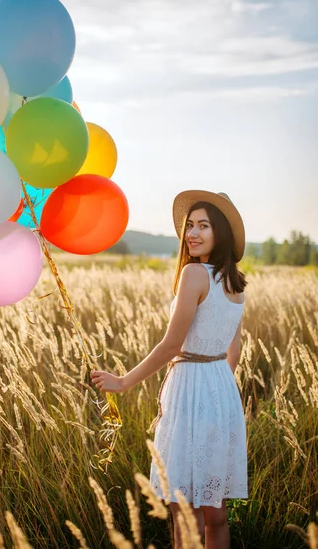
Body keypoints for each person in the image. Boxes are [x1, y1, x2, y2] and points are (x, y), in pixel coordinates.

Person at [90, 190, 248, 549]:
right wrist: (218, 387)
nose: (192, 233)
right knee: (216, 512)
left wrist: (123, 381)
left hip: (191, 388)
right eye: (189, 226)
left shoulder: (194, 273)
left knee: (185, 511)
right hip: (222, 391)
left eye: (203, 226)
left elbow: (171, 345)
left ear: (219, 232)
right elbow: (234, 348)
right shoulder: (237, 284)